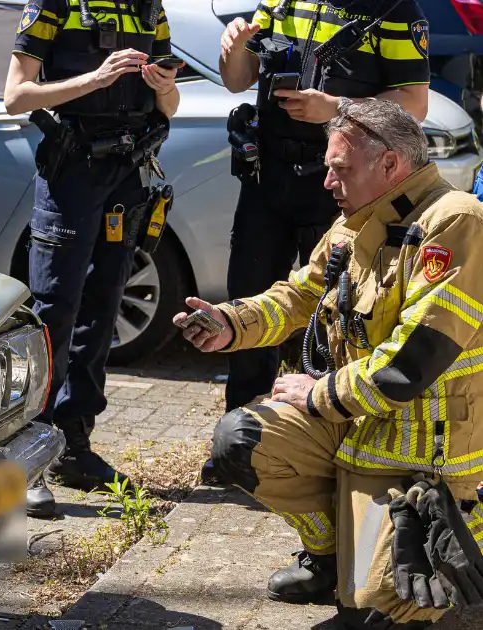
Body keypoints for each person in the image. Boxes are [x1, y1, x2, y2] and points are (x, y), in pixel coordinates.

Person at [178, 99, 483, 628]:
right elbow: (298, 299)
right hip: (354, 428)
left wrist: (318, 395)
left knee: (367, 616)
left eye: (340, 169)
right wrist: (230, 323)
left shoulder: (457, 222)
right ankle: (330, 558)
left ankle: (458, 533)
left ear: (390, 166)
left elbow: (411, 364)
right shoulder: (356, 224)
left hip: (415, 461)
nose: (327, 183)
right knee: (241, 441)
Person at [3, 0, 181, 518]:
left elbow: (166, 107)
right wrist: (96, 79)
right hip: (72, 172)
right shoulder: (54, 5)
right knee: (54, 313)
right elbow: (16, 96)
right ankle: (27, 461)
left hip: (128, 172)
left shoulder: (150, 9)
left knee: (104, 307)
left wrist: (163, 86)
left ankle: (75, 448)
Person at [217, 0, 431, 413]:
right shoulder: (281, 2)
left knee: (334, 314)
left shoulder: (396, 9)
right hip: (267, 179)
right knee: (249, 298)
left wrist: (336, 109)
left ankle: (319, 435)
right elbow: (237, 79)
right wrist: (235, 48)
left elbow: (414, 103)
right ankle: (242, 435)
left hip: (339, 187)